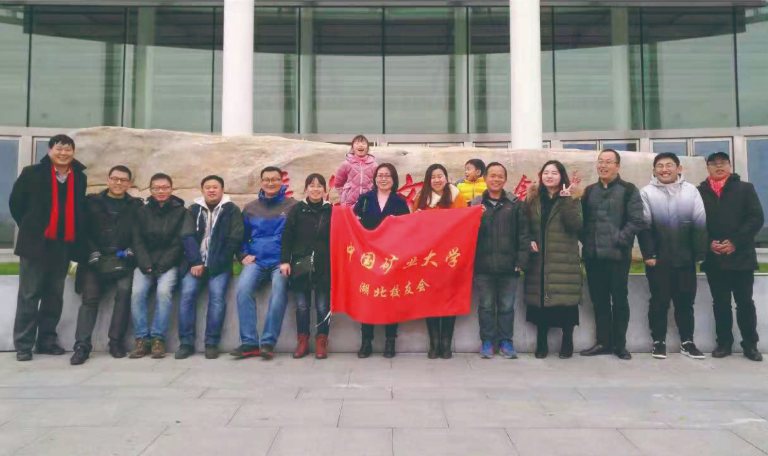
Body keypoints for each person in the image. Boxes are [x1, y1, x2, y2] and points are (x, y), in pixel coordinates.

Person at [10, 134, 88, 362]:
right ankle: (23, 345)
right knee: (29, 294)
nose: (63, 153)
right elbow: (16, 203)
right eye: (59, 148)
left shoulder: (79, 177)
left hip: (62, 244)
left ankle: (47, 341)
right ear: (50, 150)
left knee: (54, 295)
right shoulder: (32, 173)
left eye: (68, 149)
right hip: (35, 243)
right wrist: (31, 226)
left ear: (73, 152)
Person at [70, 165, 143, 365]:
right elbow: (82, 230)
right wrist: (92, 252)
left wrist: (129, 252)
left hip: (122, 259)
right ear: (108, 180)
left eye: (123, 180)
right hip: (94, 259)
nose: (118, 183)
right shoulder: (91, 202)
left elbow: (139, 233)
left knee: (125, 293)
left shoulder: (136, 206)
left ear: (129, 184)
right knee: (90, 298)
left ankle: (116, 342)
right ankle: (82, 345)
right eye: (115, 178)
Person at [639, 152, 708, 360]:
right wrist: (649, 253)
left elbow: (700, 222)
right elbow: (644, 226)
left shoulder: (691, 191)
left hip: (685, 258)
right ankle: (658, 341)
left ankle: (687, 342)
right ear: (654, 170)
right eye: (660, 166)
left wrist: (699, 253)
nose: (664, 169)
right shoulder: (646, 192)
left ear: (679, 169)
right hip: (658, 259)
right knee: (659, 301)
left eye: (669, 165)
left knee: (685, 302)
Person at [579, 149, 645, 361]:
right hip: (593, 257)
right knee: (599, 302)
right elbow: (580, 221)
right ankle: (603, 342)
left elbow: (636, 220)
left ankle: (620, 345)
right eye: (600, 161)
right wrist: (587, 241)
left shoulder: (629, 190)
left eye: (608, 162)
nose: (603, 165)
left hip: (618, 256)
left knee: (619, 301)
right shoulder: (589, 191)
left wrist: (619, 239)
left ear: (618, 166)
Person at [697, 152, 763, 362]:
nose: (719, 167)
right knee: (720, 303)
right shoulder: (699, 192)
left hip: (741, 257)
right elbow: (694, 222)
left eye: (723, 163)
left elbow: (756, 218)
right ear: (707, 167)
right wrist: (708, 243)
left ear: (730, 165)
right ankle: (724, 343)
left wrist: (735, 242)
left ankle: (750, 345)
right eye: (714, 164)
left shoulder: (745, 188)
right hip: (714, 258)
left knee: (745, 303)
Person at [232, 166, 298, 360]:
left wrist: (290, 259)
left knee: (279, 292)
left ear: (281, 181)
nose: (271, 183)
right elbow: (240, 236)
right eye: (267, 180)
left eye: (275, 179)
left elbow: (299, 235)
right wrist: (243, 255)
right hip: (257, 260)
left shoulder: (293, 206)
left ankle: (268, 342)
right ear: (261, 183)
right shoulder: (250, 208)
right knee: (243, 289)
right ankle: (249, 343)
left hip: (281, 261)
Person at [176, 175, 244, 360]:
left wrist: (217, 263)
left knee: (217, 298)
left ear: (222, 190)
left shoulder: (232, 210)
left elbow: (235, 238)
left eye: (215, 187)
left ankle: (211, 343)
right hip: (195, 264)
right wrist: (195, 261)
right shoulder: (193, 210)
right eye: (208, 187)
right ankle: (186, 343)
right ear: (202, 190)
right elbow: (187, 236)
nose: (211, 190)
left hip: (220, 265)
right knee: (187, 295)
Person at [469, 162, 530, 359]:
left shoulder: (515, 204)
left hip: (509, 266)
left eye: (500, 176)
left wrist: (521, 260)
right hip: (483, 266)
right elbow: (466, 235)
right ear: (485, 178)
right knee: (486, 307)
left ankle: (506, 342)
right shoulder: (475, 205)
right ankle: (487, 342)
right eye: (492, 175)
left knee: (506, 307)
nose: (496, 179)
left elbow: (524, 234)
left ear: (505, 179)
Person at [524, 160, 583, 359]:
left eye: (554, 173)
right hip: (539, 258)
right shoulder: (532, 199)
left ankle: (567, 340)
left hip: (563, 257)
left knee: (566, 301)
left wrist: (566, 200)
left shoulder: (572, 197)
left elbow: (575, 225)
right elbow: (524, 225)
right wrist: (529, 240)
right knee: (540, 300)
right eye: (546, 172)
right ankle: (541, 342)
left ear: (561, 176)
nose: (549, 176)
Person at [353, 163, 411, 358]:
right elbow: (354, 224)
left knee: (390, 300)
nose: (383, 178)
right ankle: (366, 341)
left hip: (391, 259)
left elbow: (408, 230)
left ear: (394, 179)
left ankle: (390, 341)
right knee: (368, 299)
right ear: (375, 178)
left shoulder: (399, 201)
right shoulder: (365, 199)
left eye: (387, 175)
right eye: (380, 175)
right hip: (368, 258)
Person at [129, 173, 188, 359]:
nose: (161, 191)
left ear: (171, 189)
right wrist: (146, 264)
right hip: (144, 263)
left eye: (165, 187)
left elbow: (179, 242)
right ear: (151, 190)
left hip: (169, 263)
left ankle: (158, 339)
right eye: (156, 188)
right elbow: (137, 240)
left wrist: (163, 265)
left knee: (164, 292)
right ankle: (141, 338)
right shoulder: (141, 211)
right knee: (137, 293)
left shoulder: (182, 212)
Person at [412, 164, 467, 359]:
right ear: (428, 180)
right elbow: (413, 227)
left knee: (450, 300)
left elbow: (464, 222)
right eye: (433, 177)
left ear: (446, 177)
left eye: (440, 176)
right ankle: (434, 344)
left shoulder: (456, 196)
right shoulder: (421, 198)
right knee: (430, 300)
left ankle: (446, 344)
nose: (437, 180)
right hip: (429, 258)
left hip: (451, 258)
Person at [280, 174, 333, 360]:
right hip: (300, 265)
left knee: (323, 306)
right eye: (311, 185)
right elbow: (287, 237)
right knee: (302, 306)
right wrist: (285, 261)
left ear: (325, 190)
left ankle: (321, 341)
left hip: (324, 266)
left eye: (319, 186)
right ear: (306, 189)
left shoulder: (331, 211)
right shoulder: (296, 210)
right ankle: (302, 341)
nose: (315, 189)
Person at [334, 134, 378, 207]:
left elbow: (377, 185)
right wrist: (344, 196)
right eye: (357, 143)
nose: (360, 145)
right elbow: (338, 184)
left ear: (367, 148)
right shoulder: (346, 164)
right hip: (349, 204)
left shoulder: (374, 165)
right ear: (352, 148)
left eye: (363, 143)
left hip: (367, 203)